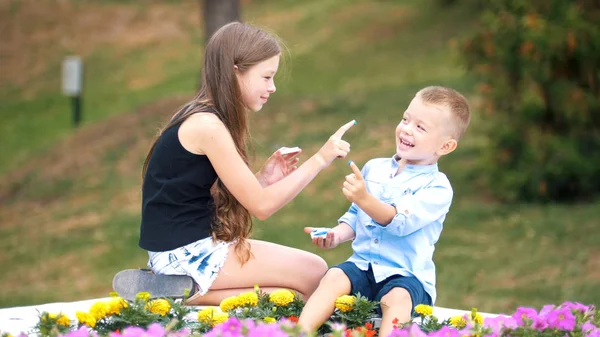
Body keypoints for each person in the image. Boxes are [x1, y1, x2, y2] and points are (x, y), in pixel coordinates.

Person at [112, 22, 356, 305]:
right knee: (315, 272)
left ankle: (178, 294)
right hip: (186, 254)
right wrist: (320, 159)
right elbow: (262, 207)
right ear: (235, 70)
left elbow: (200, 197)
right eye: (266, 77)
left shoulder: (203, 116)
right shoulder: (208, 125)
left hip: (181, 251)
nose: (272, 87)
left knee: (293, 296)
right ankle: (179, 293)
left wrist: (261, 180)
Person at [297, 86, 471, 337]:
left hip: (407, 277)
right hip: (363, 267)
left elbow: (399, 221)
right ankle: (295, 332)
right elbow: (356, 217)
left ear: (445, 146)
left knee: (396, 299)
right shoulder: (374, 169)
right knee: (334, 275)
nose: (407, 129)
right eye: (405, 119)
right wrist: (335, 235)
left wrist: (365, 198)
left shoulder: (438, 187)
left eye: (421, 127)